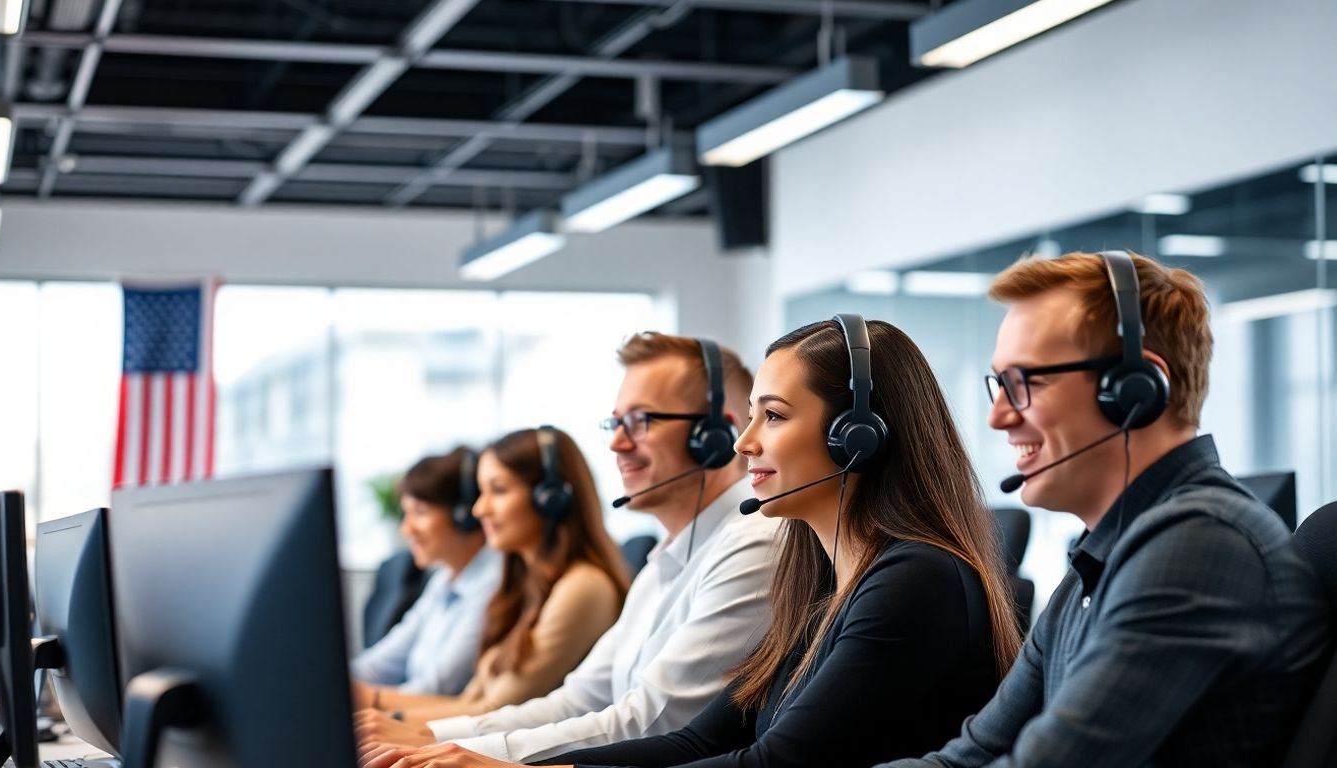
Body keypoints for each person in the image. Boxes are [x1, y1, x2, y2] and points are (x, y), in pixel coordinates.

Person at [360, 315, 1021, 768]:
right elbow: (704, 734)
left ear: (859, 436)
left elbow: (773, 762)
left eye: (774, 416)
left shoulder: (915, 579)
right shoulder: (819, 582)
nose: (744, 442)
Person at [879, 251, 1332, 766]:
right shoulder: (1097, 565)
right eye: (998, 385)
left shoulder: (1201, 545)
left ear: (1134, 389)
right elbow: (973, 753)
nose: (998, 417)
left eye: (1026, 382)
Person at [356, 333, 778, 764]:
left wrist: (454, 749)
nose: (616, 443)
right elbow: (577, 700)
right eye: (616, 424)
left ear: (716, 435)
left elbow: (650, 724)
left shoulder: (752, 545)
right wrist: (429, 736)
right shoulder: (664, 561)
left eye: (640, 421)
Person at [361, 426, 629, 722]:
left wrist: (386, 720)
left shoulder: (583, 587)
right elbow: (471, 701)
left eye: (498, 490)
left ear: (550, 498)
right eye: (481, 492)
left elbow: (497, 710)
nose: (479, 509)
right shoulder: (526, 585)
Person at [353, 448, 504, 702]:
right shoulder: (444, 579)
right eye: (405, 513)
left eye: (420, 512)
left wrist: (355, 698)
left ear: (464, 515)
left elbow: (437, 688)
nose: (406, 529)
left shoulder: (495, 583)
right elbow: (383, 661)